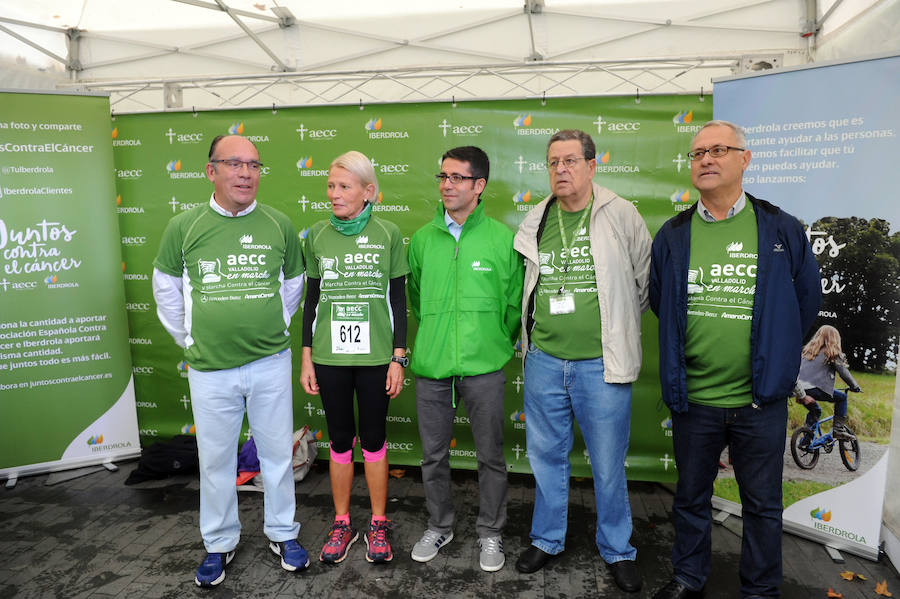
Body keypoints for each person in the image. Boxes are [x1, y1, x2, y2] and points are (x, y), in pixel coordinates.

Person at [649, 120, 821, 599]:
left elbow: (805, 301)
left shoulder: (780, 227)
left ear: (744, 159)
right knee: (690, 499)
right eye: (697, 152)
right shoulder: (673, 235)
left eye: (718, 150)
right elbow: (661, 300)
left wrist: (776, 351)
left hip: (759, 401)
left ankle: (761, 589)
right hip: (695, 398)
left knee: (763, 504)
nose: (705, 159)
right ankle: (687, 578)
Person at [152, 134, 308, 587]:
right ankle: (219, 543)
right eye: (235, 164)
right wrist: (193, 338)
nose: (246, 174)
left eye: (254, 166)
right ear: (211, 171)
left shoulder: (278, 224)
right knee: (216, 461)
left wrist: (270, 324)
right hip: (209, 369)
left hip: (269, 363)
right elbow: (166, 290)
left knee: (277, 454)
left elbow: (293, 285)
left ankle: (283, 533)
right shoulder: (184, 226)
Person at [513, 129, 651, 593]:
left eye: (571, 161)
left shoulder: (620, 214)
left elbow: (644, 283)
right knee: (547, 458)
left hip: (601, 365)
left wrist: (614, 331)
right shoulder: (535, 218)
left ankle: (617, 549)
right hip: (545, 361)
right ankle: (548, 539)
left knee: (608, 463)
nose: (561, 170)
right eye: (553, 162)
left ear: (592, 166)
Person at [407, 146, 524, 572]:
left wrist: (491, 343)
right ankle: (440, 524)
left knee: (490, 456)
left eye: (457, 177)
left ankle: (491, 533)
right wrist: (439, 340)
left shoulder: (503, 240)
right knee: (433, 455)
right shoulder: (421, 240)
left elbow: (513, 306)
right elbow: (417, 300)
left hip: (484, 368)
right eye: (443, 177)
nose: (447, 185)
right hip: (432, 368)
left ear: (479, 186)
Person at [300, 150, 409, 565]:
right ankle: (342, 522)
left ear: (369, 191)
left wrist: (398, 358)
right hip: (329, 357)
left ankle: (378, 523)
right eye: (330, 185)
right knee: (341, 441)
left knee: (375, 440)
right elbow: (312, 302)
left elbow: (398, 301)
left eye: (344, 186)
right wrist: (307, 358)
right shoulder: (316, 234)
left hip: (375, 358)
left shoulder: (388, 234)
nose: (334, 193)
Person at [793, 325, 861, 440]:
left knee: (815, 411)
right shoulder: (832, 353)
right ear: (835, 339)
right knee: (842, 398)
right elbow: (843, 372)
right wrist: (854, 386)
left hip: (800, 390)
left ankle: (806, 439)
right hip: (816, 388)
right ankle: (838, 429)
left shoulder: (807, 352)